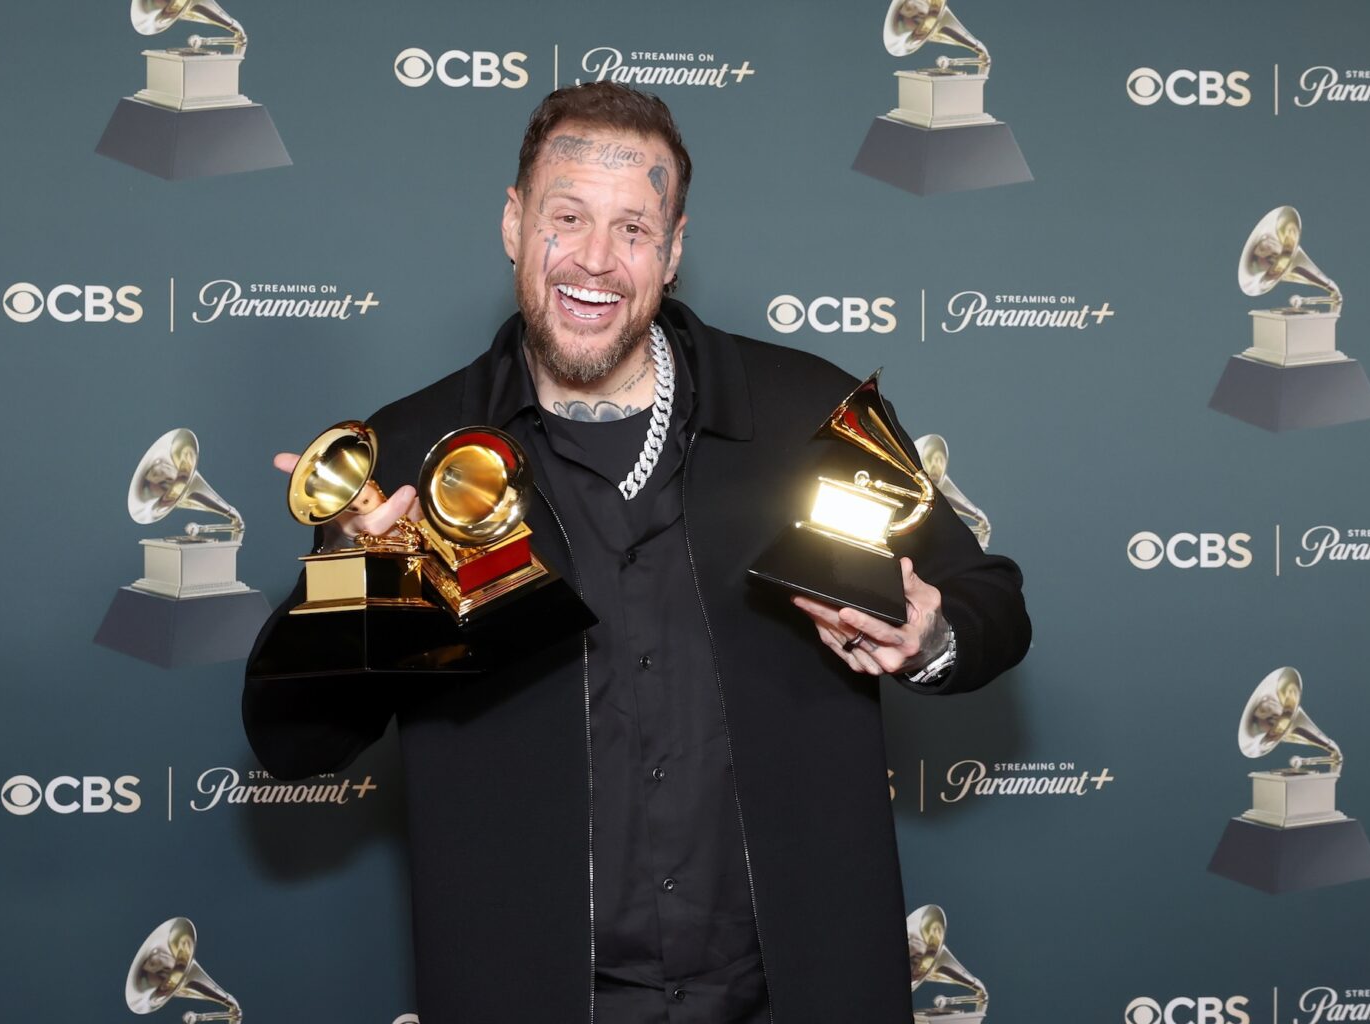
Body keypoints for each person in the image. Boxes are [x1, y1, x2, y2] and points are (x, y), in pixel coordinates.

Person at [245, 82, 1030, 1023]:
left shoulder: (805, 412)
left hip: (794, 996)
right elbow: (297, 746)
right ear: (512, 222)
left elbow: (992, 603)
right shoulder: (407, 454)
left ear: (674, 248)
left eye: (633, 228)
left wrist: (930, 639)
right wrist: (356, 587)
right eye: (565, 217)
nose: (595, 259)